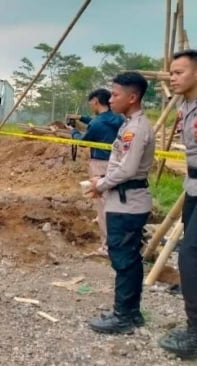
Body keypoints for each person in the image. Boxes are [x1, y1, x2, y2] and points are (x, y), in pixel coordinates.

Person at [86, 72, 154, 334]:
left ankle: (123, 316)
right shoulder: (128, 124)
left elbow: (127, 170)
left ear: (133, 97)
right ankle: (131, 312)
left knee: (123, 259)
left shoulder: (136, 128)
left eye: (116, 94)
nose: (111, 99)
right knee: (127, 258)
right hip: (124, 200)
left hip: (128, 203)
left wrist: (100, 184)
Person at [159, 49, 197, 358]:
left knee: (190, 253)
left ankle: (196, 334)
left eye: (179, 72)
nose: (172, 77)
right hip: (193, 185)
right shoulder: (186, 105)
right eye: (171, 72)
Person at [68, 89, 125, 256]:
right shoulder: (118, 118)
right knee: (115, 202)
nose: (90, 105)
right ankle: (120, 240)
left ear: (96, 102)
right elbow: (97, 121)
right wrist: (81, 119)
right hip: (117, 163)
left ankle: (107, 247)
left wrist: (73, 132)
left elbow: (84, 142)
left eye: (91, 102)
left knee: (103, 205)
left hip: (100, 164)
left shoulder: (97, 123)